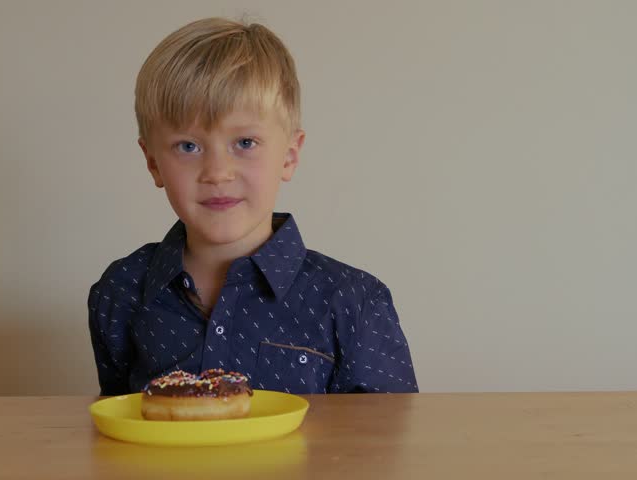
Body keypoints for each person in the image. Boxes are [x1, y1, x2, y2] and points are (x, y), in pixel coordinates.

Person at [88, 17, 417, 395]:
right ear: (152, 162)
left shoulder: (353, 301)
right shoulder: (121, 291)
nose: (217, 172)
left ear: (289, 156)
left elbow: (388, 446)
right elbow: (118, 428)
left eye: (244, 143)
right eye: (188, 146)